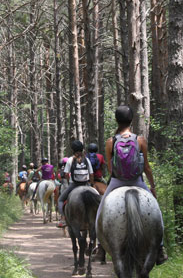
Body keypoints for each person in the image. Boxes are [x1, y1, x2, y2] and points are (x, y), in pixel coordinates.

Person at [95, 105, 168, 265]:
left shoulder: (110, 142)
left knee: (100, 211)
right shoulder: (140, 140)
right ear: (131, 120)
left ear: (116, 120)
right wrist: (153, 187)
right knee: (156, 210)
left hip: (116, 182)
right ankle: (160, 248)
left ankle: (100, 247)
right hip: (137, 181)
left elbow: (110, 167)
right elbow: (147, 167)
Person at [56, 140, 94, 228]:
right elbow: (91, 174)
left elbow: (66, 174)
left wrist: (69, 182)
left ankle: (64, 219)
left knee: (60, 200)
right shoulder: (87, 159)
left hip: (74, 184)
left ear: (73, 150)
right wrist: (91, 185)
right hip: (85, 184)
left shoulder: (70, 160)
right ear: (82, 149)